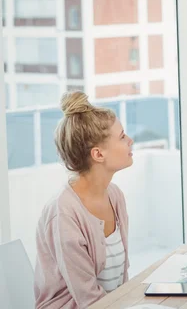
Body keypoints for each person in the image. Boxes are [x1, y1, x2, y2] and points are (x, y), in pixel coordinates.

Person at [34, 91, 134, 308]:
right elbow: (88, 299)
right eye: (122, 136)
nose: (130, 141)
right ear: (98, 154)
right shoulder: (63, 213)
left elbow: (120, 280)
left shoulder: (115, 196)